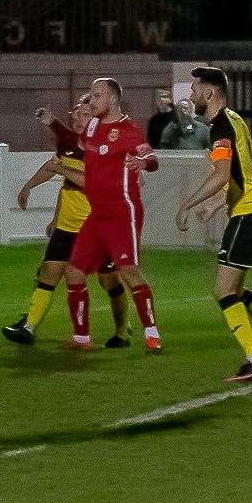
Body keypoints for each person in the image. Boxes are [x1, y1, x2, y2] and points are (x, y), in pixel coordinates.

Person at [176, 66, 252, 381]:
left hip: (248, 214)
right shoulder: (236, 120)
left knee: (224, 291)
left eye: (194, 91)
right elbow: (242, 176)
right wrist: (219, 205)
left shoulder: (221, 127)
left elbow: (222, 175)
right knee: (237, 290)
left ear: (208, 92)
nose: (191, 97)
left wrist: (189, 204)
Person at [1, 94, 131, 348]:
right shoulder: (70, 143)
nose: (79, 118)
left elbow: (89, 183)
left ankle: (121, 331)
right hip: (67, 226)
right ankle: (28, 328)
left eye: (84, 114)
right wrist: (29, 187)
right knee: (50, 272)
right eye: (76, 115)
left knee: (109, 280)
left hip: (97, 227)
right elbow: (56, 171)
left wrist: (61, 169)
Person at [61, 77, 162, 352]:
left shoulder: (129, 130)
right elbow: (80, 145)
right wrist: (59, 127)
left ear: (113, 99)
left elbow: (151, 159)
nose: (91, 100)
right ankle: (82, 338)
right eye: (90, 96)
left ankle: (152, 334)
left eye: (97, 96)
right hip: (98, 215)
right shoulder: (93, 126)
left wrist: (141, 162)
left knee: (129, 271)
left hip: (122, 212)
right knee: (74, 271)